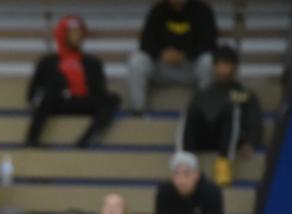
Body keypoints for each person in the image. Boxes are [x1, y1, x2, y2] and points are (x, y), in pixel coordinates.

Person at [25, 15, 120, 148]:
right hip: (58, 102)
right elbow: (32, 93)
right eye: (73, 32)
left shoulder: (93, 63)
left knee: (113, 99)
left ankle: (86, 140)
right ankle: (32, 140)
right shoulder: (48, 62)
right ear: (63, 34)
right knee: (47, 96)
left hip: (84, 101)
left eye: (80, 32)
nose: (78, 35)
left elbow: (101, 91)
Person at [181, 44, 264, 187]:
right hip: (205, 139)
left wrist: (251, 142)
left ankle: (224, 165)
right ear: (213, 67)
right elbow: (187, 122)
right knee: (192, 110)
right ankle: (186, 165)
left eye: (226, 64)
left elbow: (255, 120)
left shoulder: (244, 94)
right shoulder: (203, 92)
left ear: (235, 67)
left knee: (231, 109)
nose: (222, 69)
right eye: (219, 64)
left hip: (231, 142)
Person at [127, 0, 217, 115]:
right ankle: (138, 111)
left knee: (208, 61)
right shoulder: (158, 10)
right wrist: (161, 53)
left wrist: (185, 54)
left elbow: (209, 43)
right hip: (162, 67)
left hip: (191, 67)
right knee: (137, 60)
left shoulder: (202, 10)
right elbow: (145, 43)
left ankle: (206, 112)